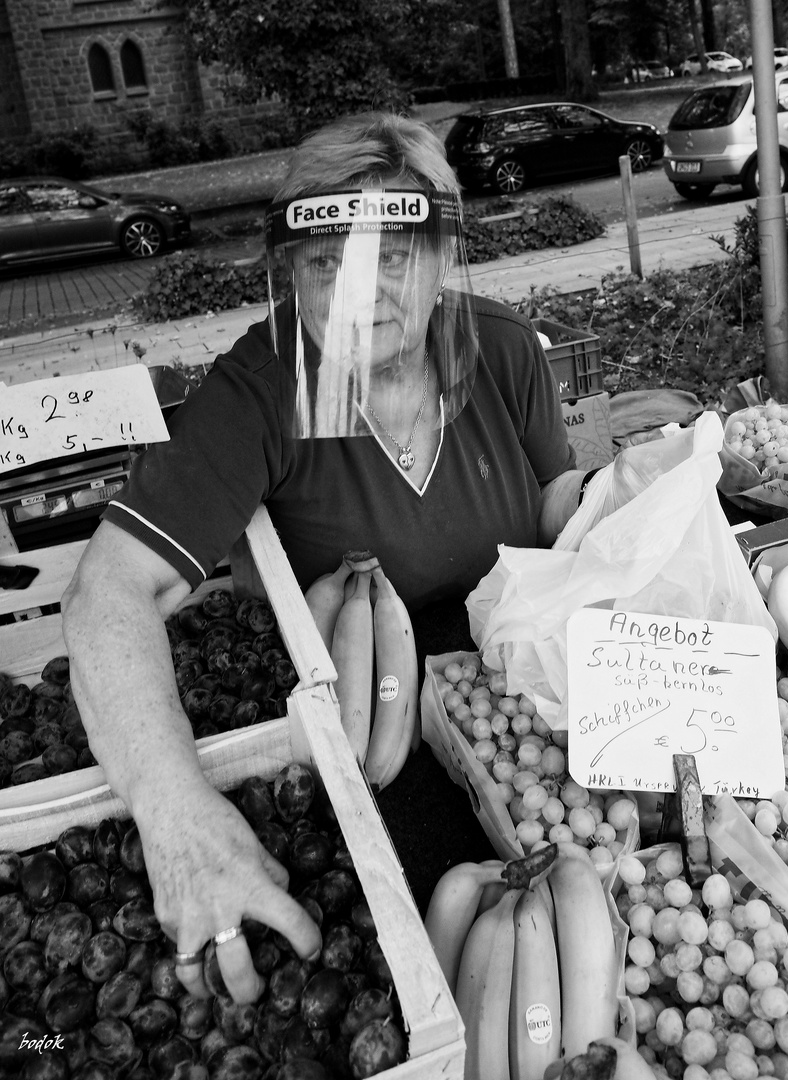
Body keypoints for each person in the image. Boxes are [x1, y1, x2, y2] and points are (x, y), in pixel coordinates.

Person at [61, 110, 593, 1005]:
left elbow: (556, 504)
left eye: (391, 255)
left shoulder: (498, 348)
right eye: (324, 263)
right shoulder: (259, 387)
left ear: (440, 255)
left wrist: (626, 518)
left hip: (515, 705)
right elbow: (108, 589)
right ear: (292, 271)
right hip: (364, 733)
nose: (359, 291)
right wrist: (176, 813)